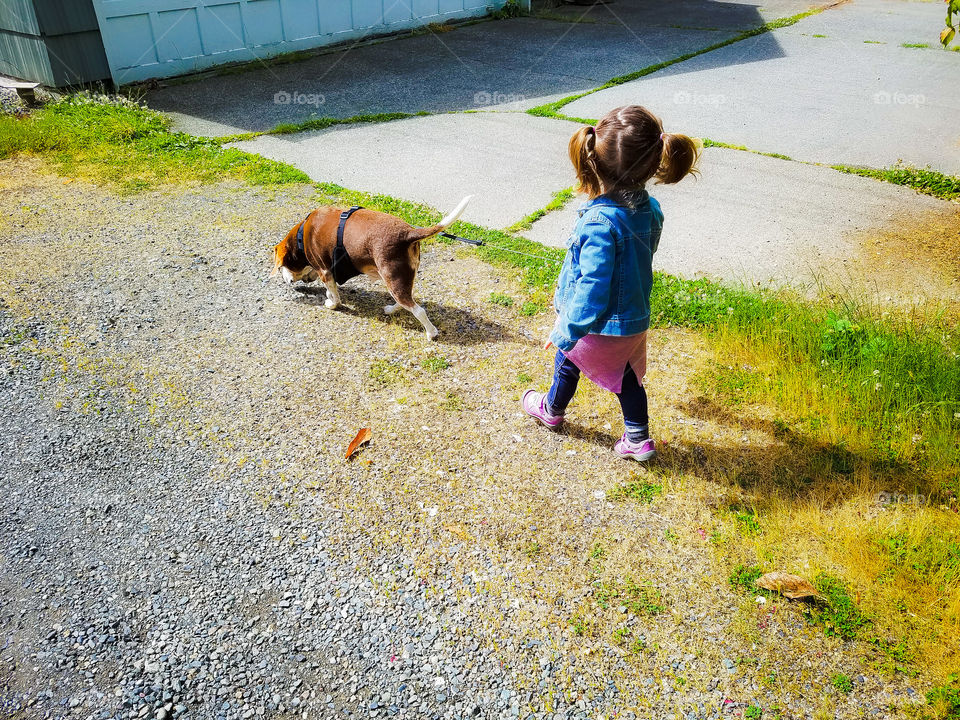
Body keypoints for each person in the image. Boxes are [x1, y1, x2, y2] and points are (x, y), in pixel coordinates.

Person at [521, 105, 701, 461]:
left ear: (594, 163)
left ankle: (552, 410)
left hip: (599, 325)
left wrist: (567, 329)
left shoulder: (599, 222)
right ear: (654, 164)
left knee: (567, 358)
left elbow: (593, 287)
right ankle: (638, 437)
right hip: (634, 318)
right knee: (628, 377)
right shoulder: (651, 209)